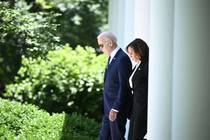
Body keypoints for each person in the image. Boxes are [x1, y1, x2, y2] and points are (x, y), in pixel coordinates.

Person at [97, 31, 132, 140]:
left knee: (117, 137)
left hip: (115, 109)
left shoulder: (122, 58)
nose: (100, 48)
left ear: (110, 43)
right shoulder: (112, 58)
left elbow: (124, 86)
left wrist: (116, 108)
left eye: (101, 45)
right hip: (108, 108)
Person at [126, 38, 149, 140]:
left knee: (137, 136)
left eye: (131, 53)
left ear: (139, 51)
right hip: (135, 107)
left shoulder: (147, 64)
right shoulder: (138, 64)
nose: (130, 56)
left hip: (142, 107)